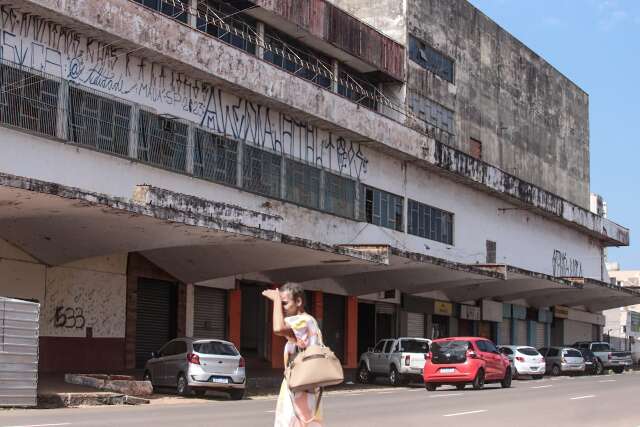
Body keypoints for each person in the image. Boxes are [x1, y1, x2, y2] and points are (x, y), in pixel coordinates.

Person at [262, 283, 323, 427]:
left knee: (294, 422)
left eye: (285, 303)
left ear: (299, 301)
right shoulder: (305, 322)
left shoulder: (303, 320)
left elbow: (278, 328)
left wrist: (276, 299)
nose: (282, 307)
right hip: (301, 383)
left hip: (300, 383)